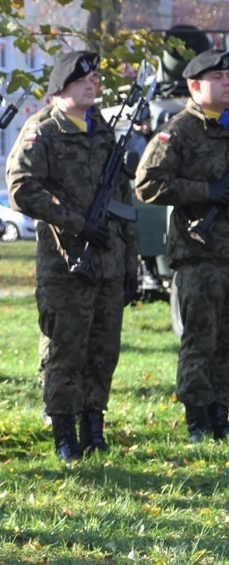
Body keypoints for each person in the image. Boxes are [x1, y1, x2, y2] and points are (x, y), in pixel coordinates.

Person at [6, 51, 138, 461]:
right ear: (61, 87)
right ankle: (64, 433)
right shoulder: (42, 130)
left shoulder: (104, 132)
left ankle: (93, 427)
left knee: (103, 351)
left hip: (109, 262)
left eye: (96, 78)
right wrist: (76, 223)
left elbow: (123, 200)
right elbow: (21, 188)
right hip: (66, 263)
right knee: (66, 349)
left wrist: (131, 260)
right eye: (83, 80)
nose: (93, 84)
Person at [135, 48, 229, 443]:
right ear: (195, 85)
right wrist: (206, 192)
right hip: (198, 255)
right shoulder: (178, 130)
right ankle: (198, 420)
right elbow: (147, 182)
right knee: (200, 341)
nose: (228, 82)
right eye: (219, 77)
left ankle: (221, 416)